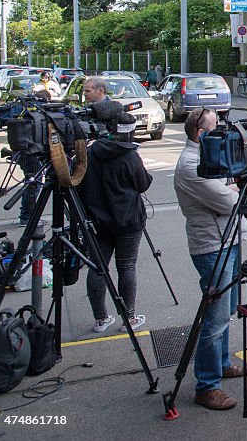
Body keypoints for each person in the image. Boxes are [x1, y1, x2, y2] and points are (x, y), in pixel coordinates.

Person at [174, 107, 245, 411]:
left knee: (227, 309)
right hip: (211, 245)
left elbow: (229, 191)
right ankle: (206, 385)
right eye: (217, 125)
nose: (223, 129)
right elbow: (230, 199)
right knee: (214, 318)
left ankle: (223, 362)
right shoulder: (191, 164)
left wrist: (231, 187)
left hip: (227, 238)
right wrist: (233, 188)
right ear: (201, 133)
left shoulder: (207, 154)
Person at [76, 109, 150, 335]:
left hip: (97, 221)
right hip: (128, 220)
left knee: (98, 267)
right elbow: (143, 183)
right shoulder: (129, 155)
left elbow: (78, 184)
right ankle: (129, 316)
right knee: (126, 266)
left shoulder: (90, 152)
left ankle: (100, 318)